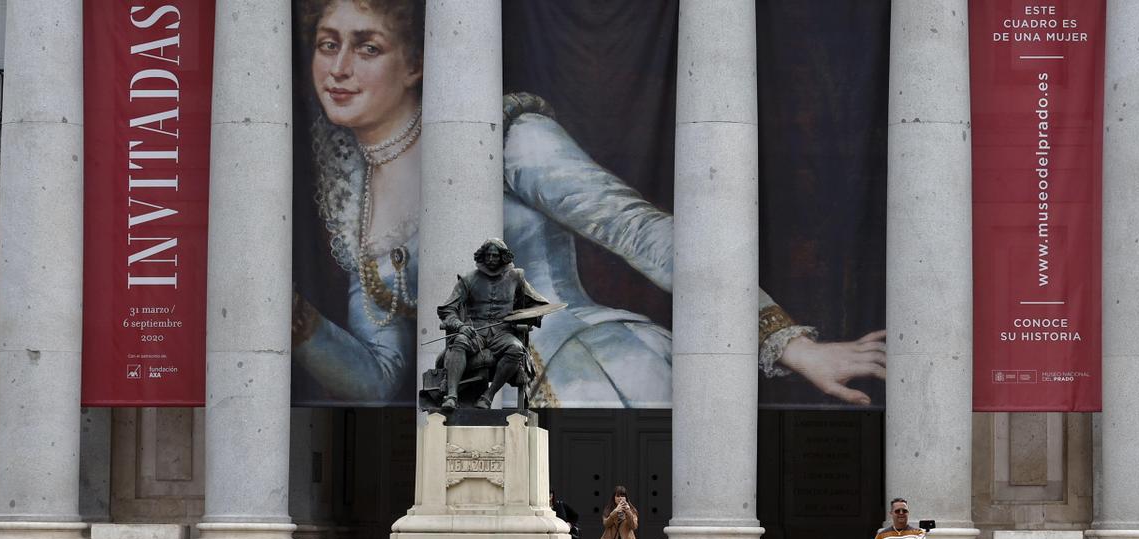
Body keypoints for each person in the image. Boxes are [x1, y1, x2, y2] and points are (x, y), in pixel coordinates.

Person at [292, 0, 887, 408]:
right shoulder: (356, 210)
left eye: (366, 47)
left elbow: (641, 232)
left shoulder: (502, 136)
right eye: (327, 45)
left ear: (416, 63)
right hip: (483, 422)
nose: (339, 69)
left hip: (596, 377)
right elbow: (379, 378)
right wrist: (300, 324)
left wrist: (791, 344)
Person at [437, 239, 549, 409]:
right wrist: (460, 325)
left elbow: (540, 305)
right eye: (487, 255)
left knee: (516, 348)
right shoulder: (468, 279)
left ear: (503, 257)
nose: (491, 259)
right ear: (482, 256)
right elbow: (447, 309)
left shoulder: (516, 277)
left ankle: (488, 396)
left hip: (503, 333)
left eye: (495, 255)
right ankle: (451, 397)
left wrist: (523, 318)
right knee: (459, 340)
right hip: (476, 333)